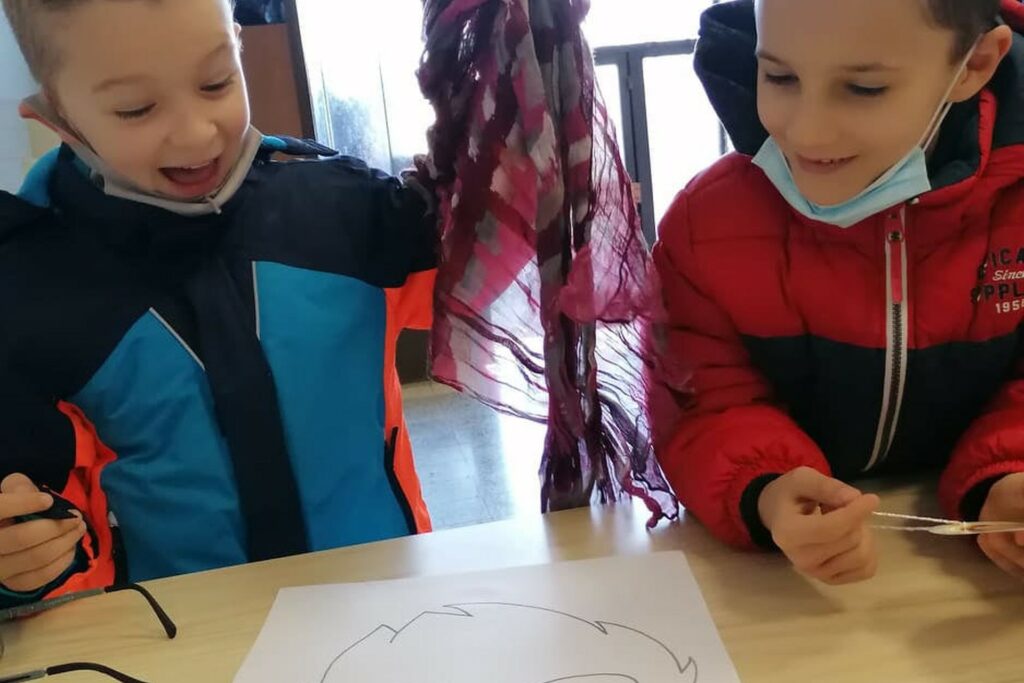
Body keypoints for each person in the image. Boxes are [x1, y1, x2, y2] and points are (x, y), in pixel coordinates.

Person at [0, 0, 435, 606]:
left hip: (386, 601)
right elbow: (46, 515)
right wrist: (24, 565)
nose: (196, 133)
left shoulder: (342, 210)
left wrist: (494, 172)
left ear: (238, 45)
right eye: (136, 109)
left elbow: (484, 287)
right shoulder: (29, 292)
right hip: (184, 633)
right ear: (56, 115)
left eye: (216, 83)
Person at [652, 0, 1024, 584]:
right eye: (779, 76)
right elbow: (706, 401)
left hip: (962, 577)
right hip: (788, 588)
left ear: (974, 65)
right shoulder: (707, 224)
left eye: (863, 87)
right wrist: (767, 489)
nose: (807, 130)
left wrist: (1009, 476)